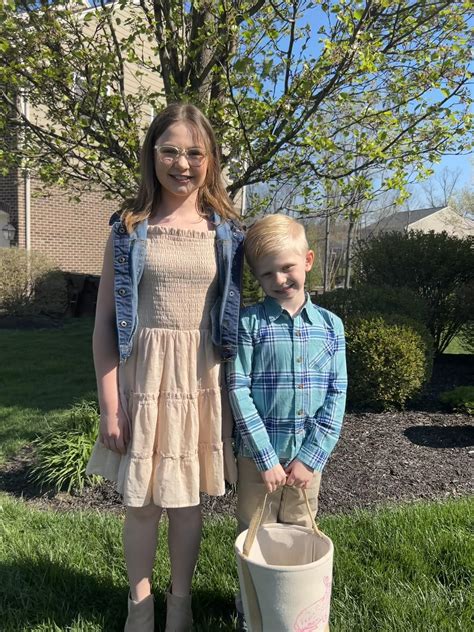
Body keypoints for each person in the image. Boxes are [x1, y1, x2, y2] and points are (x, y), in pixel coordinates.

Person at [86, 103, 244, 632]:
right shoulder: (129, 229)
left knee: (185, 503)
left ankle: (180, 606)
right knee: (142, 503)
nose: (182, 163)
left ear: (210, 159)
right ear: (151, 155)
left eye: (195, 153)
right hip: (144, 381)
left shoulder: (228, 233)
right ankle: (140, 607)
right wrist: (110, 405)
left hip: (199, 381)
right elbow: (104, 323)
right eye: (170, 151)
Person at [226, 214, 347, 630]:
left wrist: (311, 458)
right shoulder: (249, 325)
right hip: (256, 461)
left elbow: (337, 394)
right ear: (256, 277)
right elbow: (238, 390)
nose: (278, 279)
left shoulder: (331, 327)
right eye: (267, 274)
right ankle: (252, 610)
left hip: (305, 465)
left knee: (300, 530)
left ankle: (293, 609)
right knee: (254, 532)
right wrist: (265, 458)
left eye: (287, 267)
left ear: (307, 261)